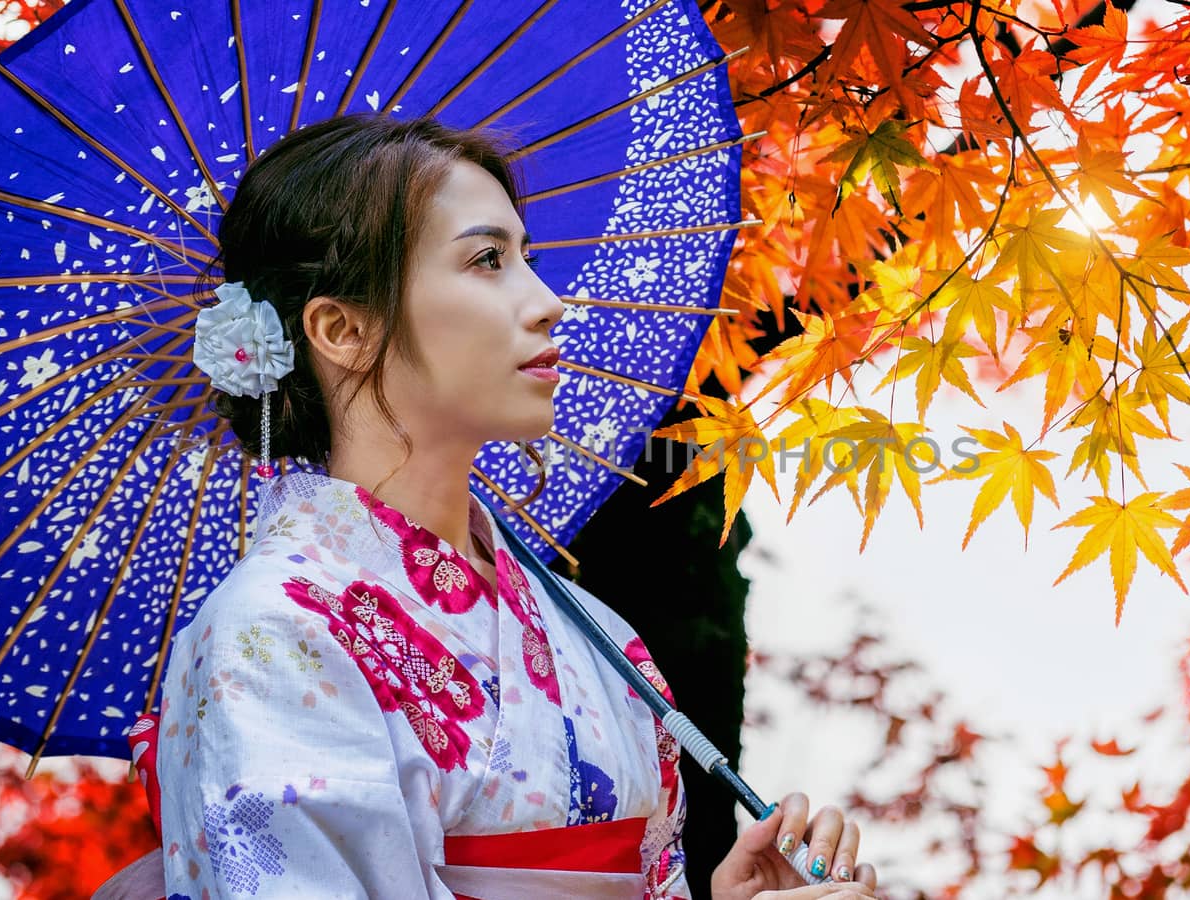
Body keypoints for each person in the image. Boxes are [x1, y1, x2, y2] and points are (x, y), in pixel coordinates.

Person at [104, 114, 879, 900]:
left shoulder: (597, 633)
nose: (548, 303)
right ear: (342, 329)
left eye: (527, 258)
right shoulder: (272, 632)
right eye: (486, 260)